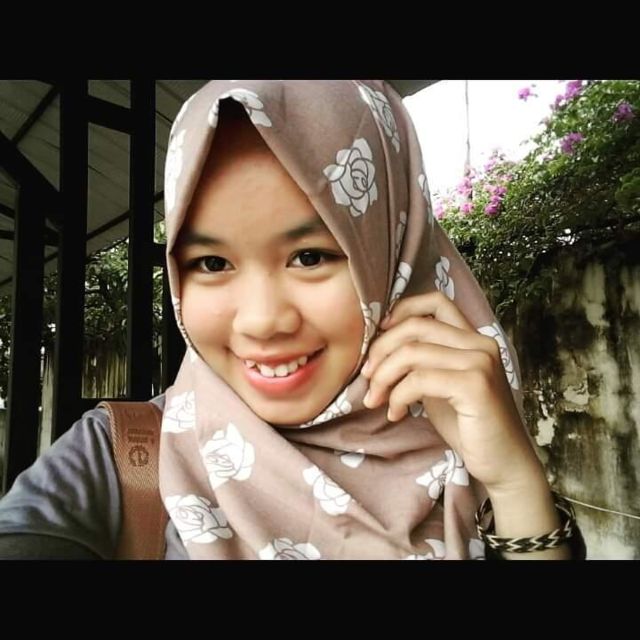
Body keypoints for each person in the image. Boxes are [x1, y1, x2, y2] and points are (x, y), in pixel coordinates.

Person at [0, 80, 585, 560]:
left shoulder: (472, 445)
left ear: (390, 257)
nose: (261, 322)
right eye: (211, 263)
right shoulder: (120, 460)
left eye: (310, 256)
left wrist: (514, 482)